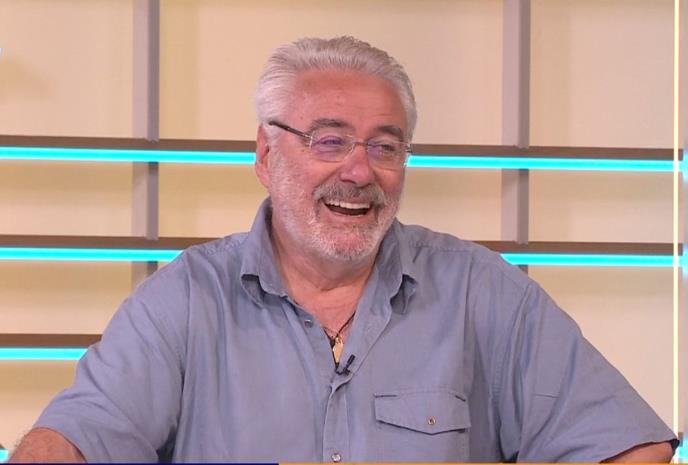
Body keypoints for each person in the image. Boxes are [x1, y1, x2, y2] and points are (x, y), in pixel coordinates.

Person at [10, 36, 677, 463]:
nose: (360, 171)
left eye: (385, 146)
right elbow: (73, 439)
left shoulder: (481, 290)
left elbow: (632, 447)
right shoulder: (185, 298)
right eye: (329, 141)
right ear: (266, 154)